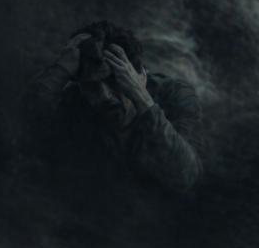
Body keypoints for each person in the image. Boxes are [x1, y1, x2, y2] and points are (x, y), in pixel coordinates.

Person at [19, 20, 203, 193]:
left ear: (140, 73)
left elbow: (185, 176)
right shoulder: (75, 101)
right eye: (92, 86)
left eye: (114, 80)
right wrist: (61, 69)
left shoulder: (175, 95)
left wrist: (142, 100)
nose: (104, 96)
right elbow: (20, 133)